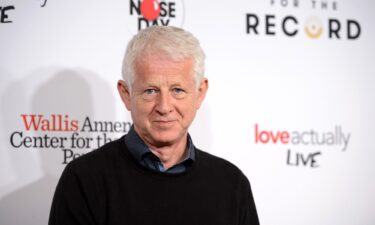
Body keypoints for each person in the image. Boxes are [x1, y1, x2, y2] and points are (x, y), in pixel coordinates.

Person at [48, 26, 259, 225]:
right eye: (150, 91)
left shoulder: (232, 184)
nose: (164, 107)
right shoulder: (84, 180)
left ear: (200, 93)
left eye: (177, 90)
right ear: (126, 94)